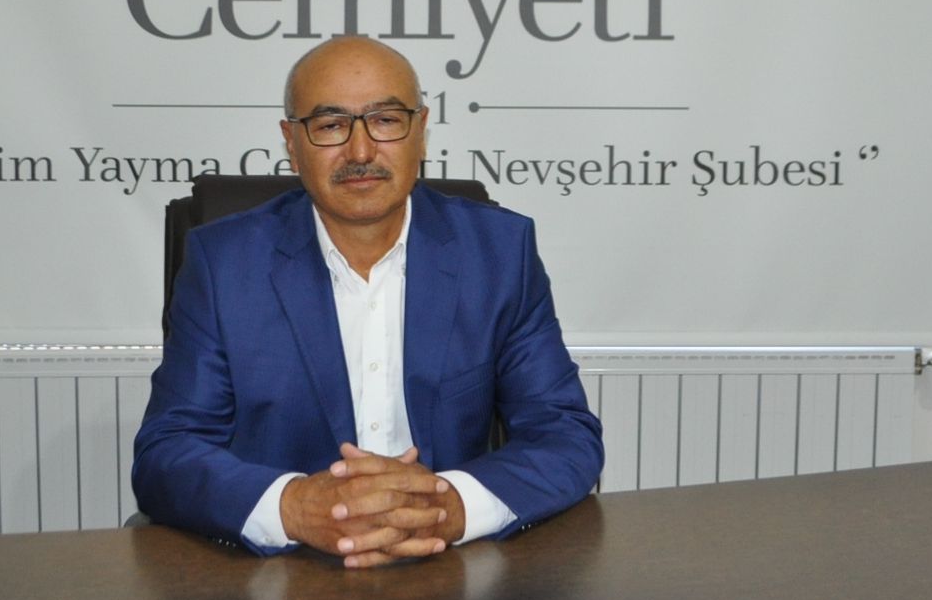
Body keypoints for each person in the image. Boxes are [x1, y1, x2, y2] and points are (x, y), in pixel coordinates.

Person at [132, 36, 604, 567]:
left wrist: (449, 505)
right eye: (331, 125)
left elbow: (565, 435)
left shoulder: (497, 253)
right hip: (284, 573)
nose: (360, 152)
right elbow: (167, 453)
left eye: (385, 120)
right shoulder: (224, 264)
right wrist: (294, 508)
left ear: (421, 131)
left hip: (448, 567)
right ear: (292, 142)